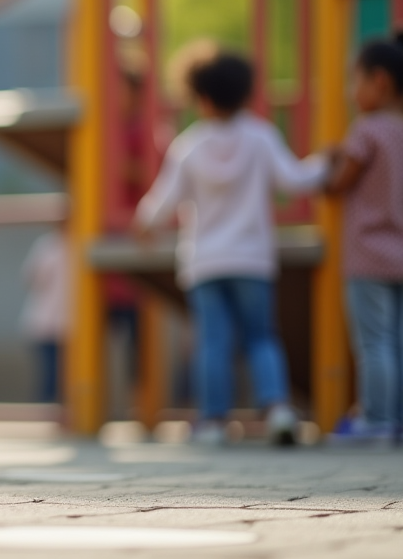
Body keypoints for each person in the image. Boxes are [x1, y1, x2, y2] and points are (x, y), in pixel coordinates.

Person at [134, 48, 328, 446]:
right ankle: (276, 409)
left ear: (201, 97)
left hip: (205, 261)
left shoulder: (189, 146)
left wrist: (143, 223)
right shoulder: (261, 137)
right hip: (252, 258)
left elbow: (162, 201)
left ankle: (213, 421)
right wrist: (325, 163)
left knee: (212, 342)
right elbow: (294, 179)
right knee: (261, 336)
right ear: (244, 94)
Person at [325, 35, 403, 446]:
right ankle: (398, 418)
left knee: (374, 342)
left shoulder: (368, 130)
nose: (350, 91)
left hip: (369, 255)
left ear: (380, 81)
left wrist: (331, 166)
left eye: (355, 81)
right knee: (399, 342)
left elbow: (341, 182)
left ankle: (376, 419)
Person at [19, 223, 69, 404]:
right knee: (51, 378)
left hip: (66, 325)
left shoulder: (58, 245)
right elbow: (32, 278)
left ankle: (55, 412)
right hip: (47, 324)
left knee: (63, 380)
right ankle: (47, 412)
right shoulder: (48, 245)